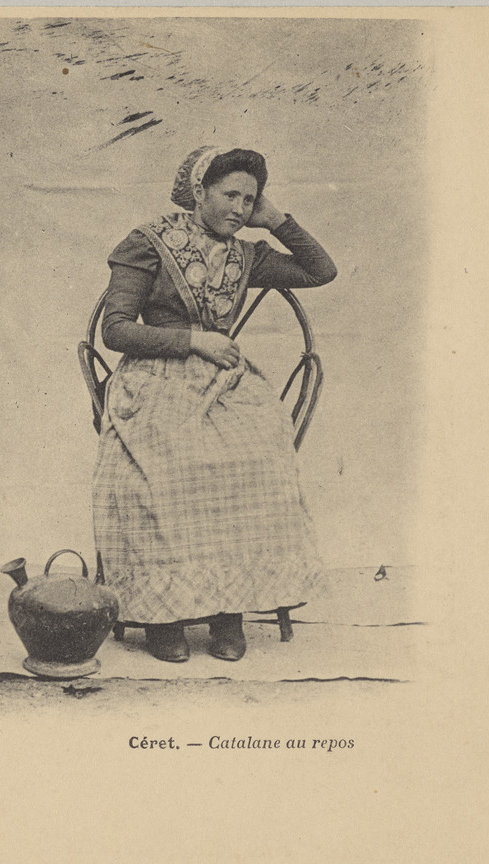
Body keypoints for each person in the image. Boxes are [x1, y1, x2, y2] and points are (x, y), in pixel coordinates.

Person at [92, 146, 336, 664]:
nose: (240, 209)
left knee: (258, 459)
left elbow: (321, 271)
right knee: (169, 464)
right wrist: (193, 341)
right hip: (154, 378)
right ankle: (163, 617)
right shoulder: (148, 243)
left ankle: (229, 610)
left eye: (250, 200)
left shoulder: (247, 255)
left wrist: (277, 221)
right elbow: (115, 330)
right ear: (199, 191)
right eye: (231, 195)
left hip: (224, 384)